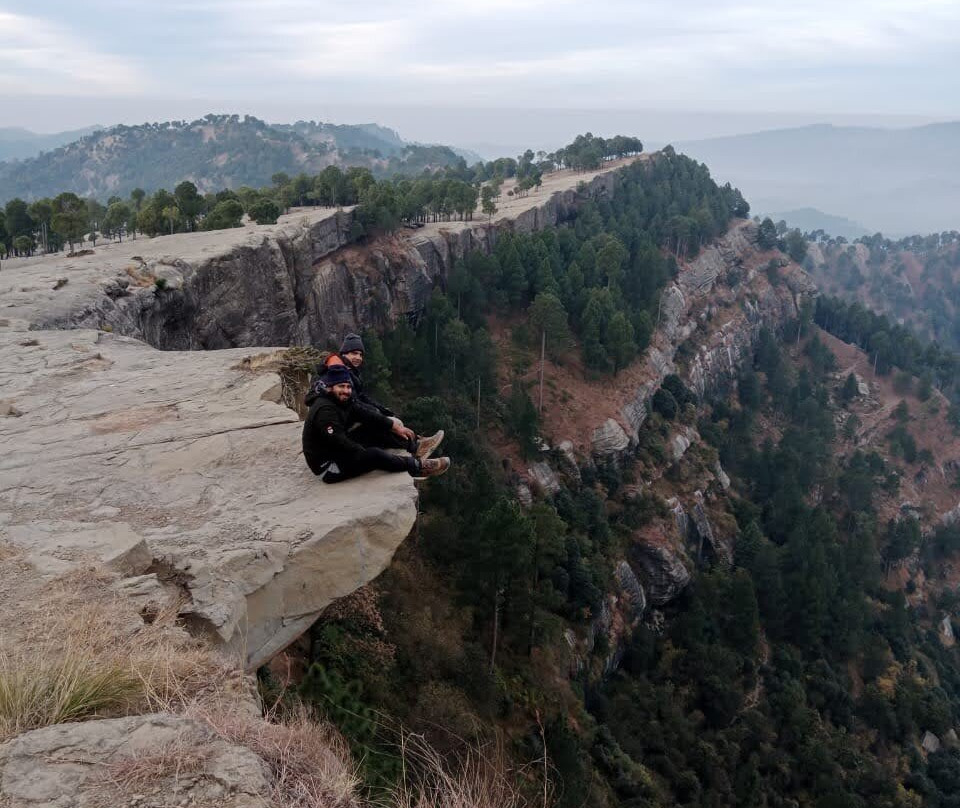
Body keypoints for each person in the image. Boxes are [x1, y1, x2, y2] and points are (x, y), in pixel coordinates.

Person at [303, 364, 450, 483]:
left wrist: (395, 427)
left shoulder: (341, 401)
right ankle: (418, 467)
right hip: (328, 466)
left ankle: (416, 447)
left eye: (348, 387)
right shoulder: (325, 410)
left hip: (335, 449)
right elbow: (337, 440)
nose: (346, 391)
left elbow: (366, 414)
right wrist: (364, 455)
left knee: (374, 428)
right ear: (330, 387)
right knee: (374, 455)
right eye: (341, 386)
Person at [311, 333, 443, 458]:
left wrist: (382, 409)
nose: (358, 357)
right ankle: (416, 448)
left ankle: (416, 442)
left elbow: (361, 397)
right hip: (341, 431)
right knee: (380, 425)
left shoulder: (348, 372)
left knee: (384, 420)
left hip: (347, 422)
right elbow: (354, 406)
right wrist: (381, 416)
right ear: (344, 353)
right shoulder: (340, 376)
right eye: (354, 353)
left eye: (360, 354)